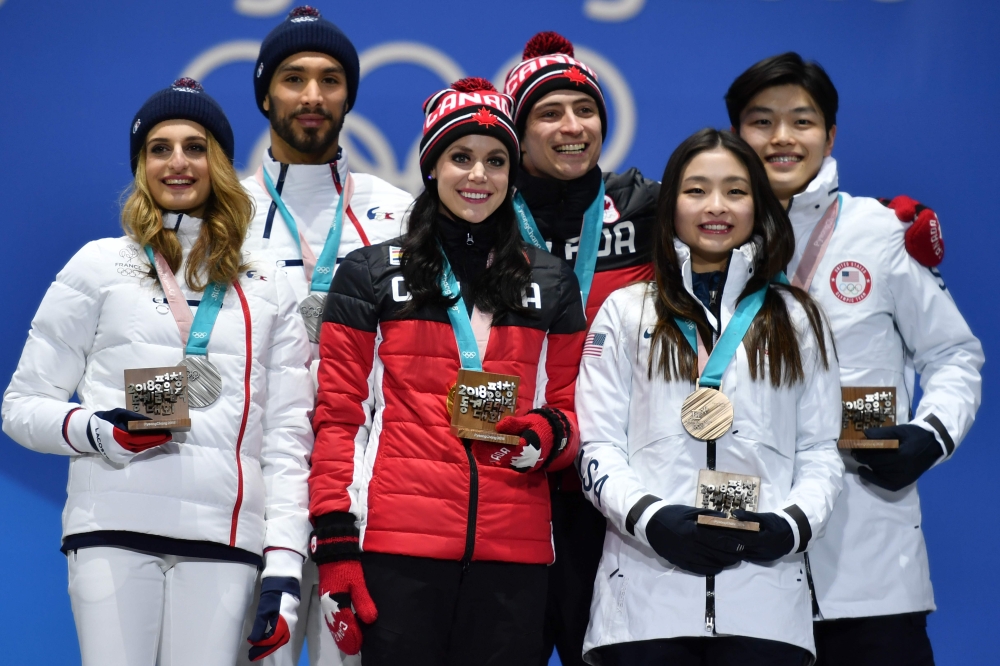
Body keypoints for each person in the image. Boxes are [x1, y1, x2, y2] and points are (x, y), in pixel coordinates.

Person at [1, 78, 313, 666]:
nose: (177, 162)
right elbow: (21, 406)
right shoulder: (100, 265)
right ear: (141, 165)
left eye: (195, 147)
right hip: (113, 526)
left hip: (224, 542)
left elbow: (288, 439)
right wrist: (100, 430)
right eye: (158, 148)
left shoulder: (268, 281)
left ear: (218, 162)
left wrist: (285, 563)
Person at [307, 77, 587, 665]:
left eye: (495, 161)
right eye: (461, 158)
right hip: (398, 550)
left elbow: (573, 409)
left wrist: (549, 436)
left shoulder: (552, 283)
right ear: (433, 166)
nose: (478, 176)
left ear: (513, 173)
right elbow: (338, 418)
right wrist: (335, 544)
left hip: (515, 555)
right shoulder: (369, 275)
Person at [725, 52, 984, 666]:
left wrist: (932, 433)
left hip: (869, 571)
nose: (782, 138)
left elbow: (953, 354)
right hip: (742, 573)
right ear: (737, 134)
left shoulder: (883, 234)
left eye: (802, 121)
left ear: (830, 134)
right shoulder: (708, 239)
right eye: (762, 122)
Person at [577, 128, 845, 665]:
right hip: (644, 604)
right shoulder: (626, 311)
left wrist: (790, 525)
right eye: (696, 190)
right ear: (670, 203)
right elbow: (596, 448)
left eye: (736, 191)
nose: (716, 207)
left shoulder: (797, 318)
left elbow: (820, 451)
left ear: (759, 204)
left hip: (765, 605)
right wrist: (650, 519)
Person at [238, 7, 413, 666]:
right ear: (264, 93)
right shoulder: (223, 213)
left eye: (331, 80)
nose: (312, 95)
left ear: (349, 97)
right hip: (251, 503)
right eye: (293, 78)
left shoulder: (401, 214)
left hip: (365, 504)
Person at [501, 32, 661, 666]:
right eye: (549, 113)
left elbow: (748, 215)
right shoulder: (485, 214)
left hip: (616, 495)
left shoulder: (648, 207)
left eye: (586, 110)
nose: (573, 127)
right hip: (515, 482)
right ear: (518, 130)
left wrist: (885, 222)